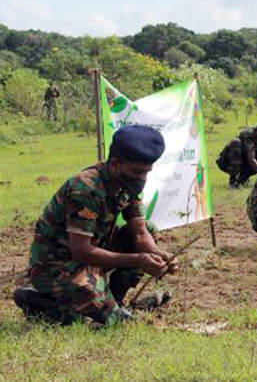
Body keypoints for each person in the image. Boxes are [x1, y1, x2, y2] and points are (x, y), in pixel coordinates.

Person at [13, 125, 178, 326]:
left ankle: (113, 301)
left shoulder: (128, 182)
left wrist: (157, 255)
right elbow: (81, 252)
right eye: (137, 172)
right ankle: (40, 302)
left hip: (91, 257)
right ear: (116, 163)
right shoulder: (86, 188)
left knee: (150, 231)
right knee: (105, 322)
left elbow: (140, 232)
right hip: (58, 265)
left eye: (146, 172)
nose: (142, 178)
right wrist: (138, 259)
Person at [216, 113, 257, 188]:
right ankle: (233, 181)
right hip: (227, 162)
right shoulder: (248, 134)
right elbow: (251, 159)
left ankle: (243, 179)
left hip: (244, 161)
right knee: (236, 143)